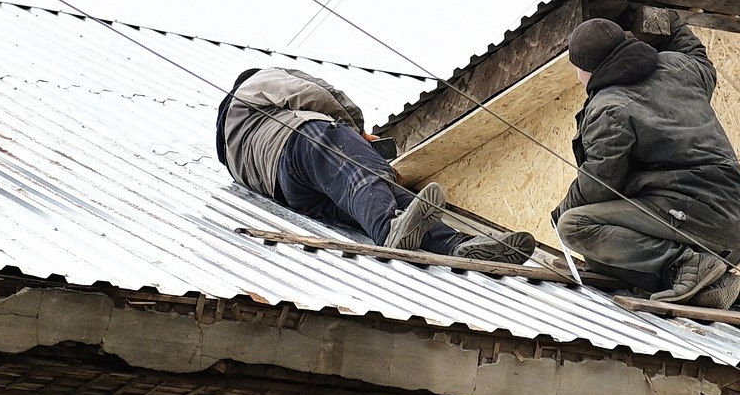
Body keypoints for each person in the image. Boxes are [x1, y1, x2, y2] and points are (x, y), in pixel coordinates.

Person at [216, 66, 534, 264]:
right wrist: (356, 132)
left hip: (293, 193)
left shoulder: (232, 150)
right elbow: (311, 93)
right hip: (300, 148)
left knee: (382, 203)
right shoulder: (256, 81)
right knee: (360, 168)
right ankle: (388, 231)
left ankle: (458, 246)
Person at [551, 8, 740, 308]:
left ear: (585, 70)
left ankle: (686, 264)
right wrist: (666, 19)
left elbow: (600, 185)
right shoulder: (678, 67)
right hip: (736, 229)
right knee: (600, 259)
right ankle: (704, 278)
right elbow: (697, 56)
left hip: (694, 223)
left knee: (574, 227)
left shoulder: (609, 108)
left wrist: (558, 214)